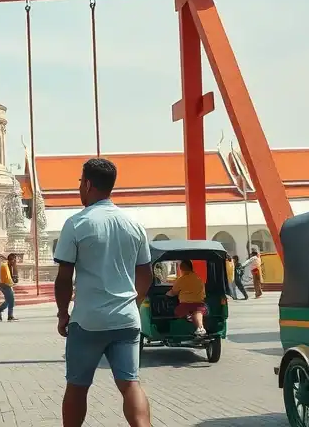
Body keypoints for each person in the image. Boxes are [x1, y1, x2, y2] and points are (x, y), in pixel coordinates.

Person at [53, 158, 153, 427]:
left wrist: (63, 313)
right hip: (126, 320)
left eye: (79, 183)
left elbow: (64, 279)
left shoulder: (76, 223)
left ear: (87, 184)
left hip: (88, 321)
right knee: (130, 383)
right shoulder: (133, 224)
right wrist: (135, 302)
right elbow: (145, 274)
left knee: (77, 386)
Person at [166, 259, 208, 336]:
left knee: (178, 311)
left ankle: (188, 317)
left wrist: (167, 294)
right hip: (200, 305)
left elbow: (173, 292)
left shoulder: (181, 280)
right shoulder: (199, 279)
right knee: (198, 311)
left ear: (181, 269)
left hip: (185, 306)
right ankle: (200, 327)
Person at [0, 253, 19, 321]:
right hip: (5, 285)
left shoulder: (7, 265)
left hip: (5, 284)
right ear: (12, 259)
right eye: (14, 260)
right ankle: (10, 316)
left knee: (8, 300)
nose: (15, 262)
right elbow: (7, 277)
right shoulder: (5, 265)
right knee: (11, 300)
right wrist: (12, 284)